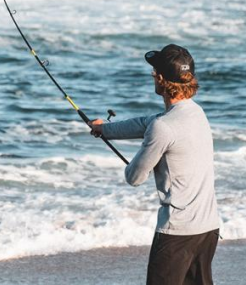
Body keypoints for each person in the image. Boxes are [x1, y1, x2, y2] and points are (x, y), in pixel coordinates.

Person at [91, 44, 221, 285]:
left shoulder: (163, 127)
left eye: (154, 72)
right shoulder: (195, 112)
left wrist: (134, 165)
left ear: (161, 78)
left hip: (178, 233)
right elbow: (145, 123)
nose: (152, 75)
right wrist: (103, 130)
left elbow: (135, 178)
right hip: (208, 228)